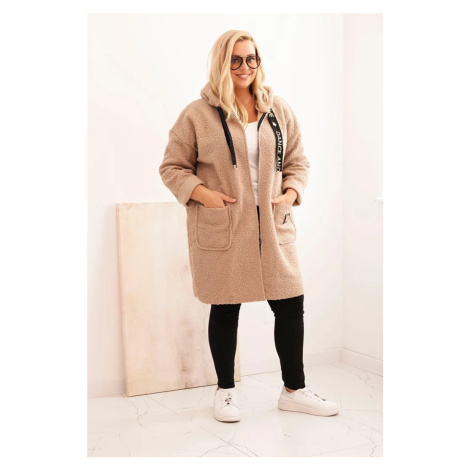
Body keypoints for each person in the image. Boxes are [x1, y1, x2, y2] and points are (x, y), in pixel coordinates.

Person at [159, 30, 339, 422]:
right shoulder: (197, 114)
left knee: (291, 304)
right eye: (236, 60)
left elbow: (298, 161)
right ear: (222, 63)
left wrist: (291, 191)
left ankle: (294, 390)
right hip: (225, 226)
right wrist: (203, 194)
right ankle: (225, 392)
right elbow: (172, 166)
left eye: (252, 58)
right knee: (225, 308)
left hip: (274, 224)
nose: (245, 67)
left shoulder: (278, 109)